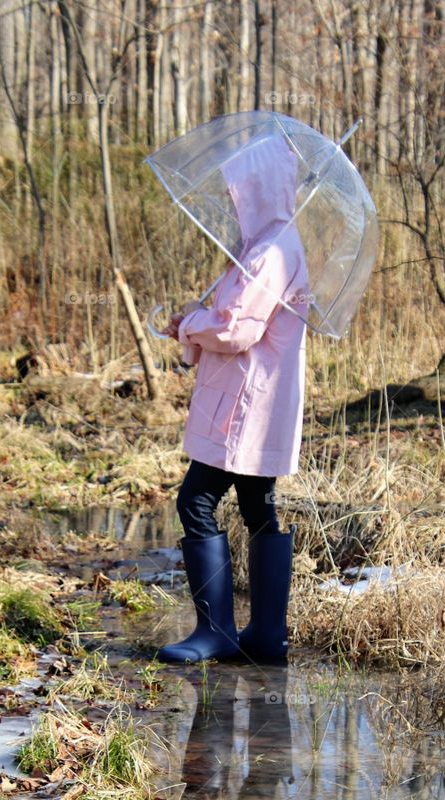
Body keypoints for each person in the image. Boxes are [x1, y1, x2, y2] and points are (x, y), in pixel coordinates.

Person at [157, 133, 309, 666]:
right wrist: (192, 326)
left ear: (261, 190)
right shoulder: (259, 249)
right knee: (254, 505)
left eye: (240, 191)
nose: (233, 201)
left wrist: (195, 325)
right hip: (251, 403)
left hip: (246, 408)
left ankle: (217, 631)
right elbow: (230, 322)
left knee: (195, 500)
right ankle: (267, 635)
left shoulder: (270, 252)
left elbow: (239, 330)